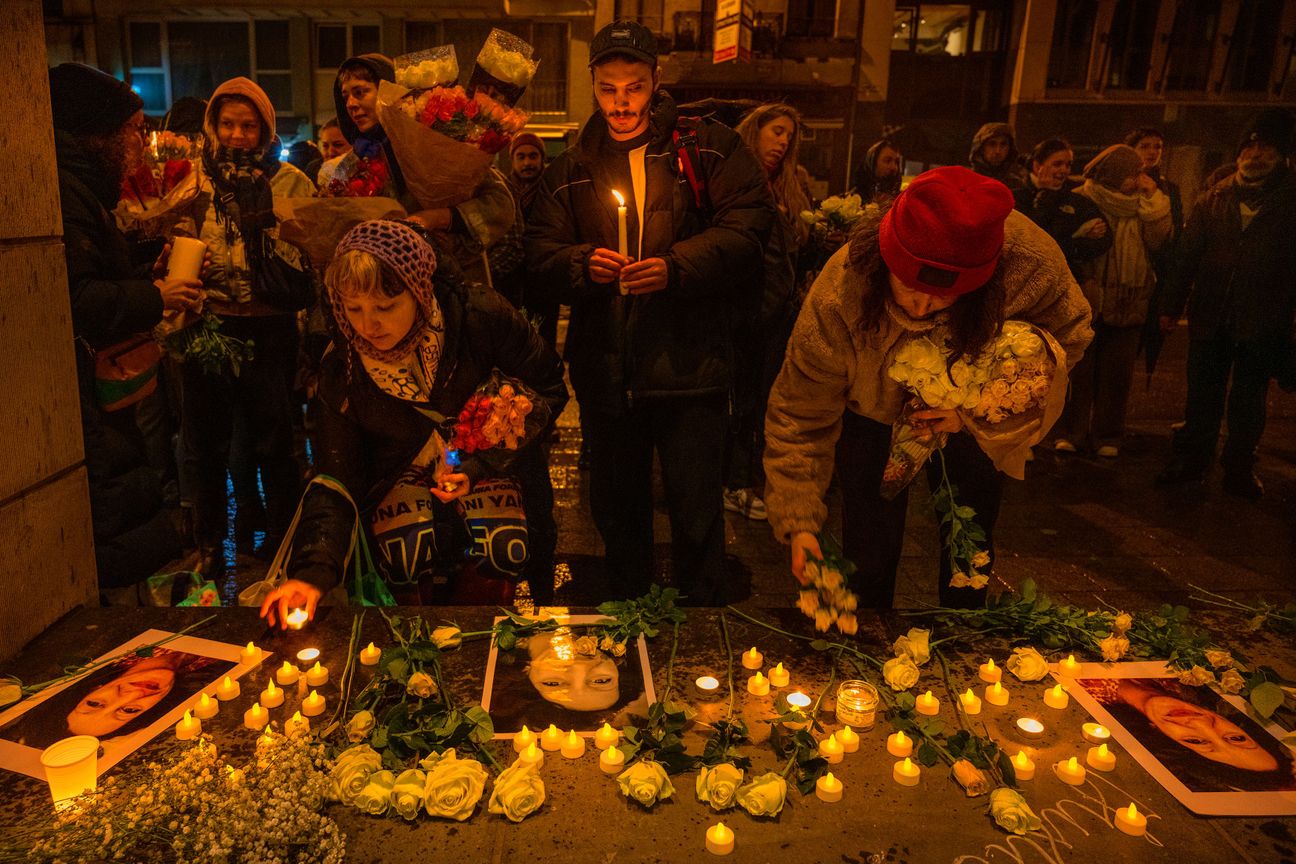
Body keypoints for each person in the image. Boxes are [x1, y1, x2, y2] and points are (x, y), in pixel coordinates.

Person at [525, 20, 777, 605]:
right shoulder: (573, 165)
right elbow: (538, 251)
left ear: (656, 81)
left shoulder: (707, 145)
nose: (621, 103)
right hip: (609, 372)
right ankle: (629, 614)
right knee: (617, 510)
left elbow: (749, 228)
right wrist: (582, 263)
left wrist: (676, 266)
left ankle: (703, 623)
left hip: (691, 368)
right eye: (609, 88)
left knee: (696, 509)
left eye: (633, 86)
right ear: (593, 84)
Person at [763, 167, 1093, 608]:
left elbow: (1067, 341)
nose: (920, 307)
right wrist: (799, 522)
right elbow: (800, 411)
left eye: (940, 298)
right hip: (873, 415)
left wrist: (976, 407)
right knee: (868, 550)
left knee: (969, 551)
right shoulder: (842, 289)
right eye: (908, 288)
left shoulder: (1029, 263)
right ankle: (867, 642)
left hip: (969, 424)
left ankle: (962, 642)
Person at [260, 220, 567, 627]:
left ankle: (481, 642)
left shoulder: (480, 317)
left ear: (419, 291)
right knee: (404, 550)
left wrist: (478, 467)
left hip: (491, 464)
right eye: (353, 309)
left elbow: (548, 388)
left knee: (501, 545)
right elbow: (336, 478)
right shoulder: (343, 366)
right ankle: (415, 648)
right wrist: (311, 575)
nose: (368, 325)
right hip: (394, 474)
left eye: (385, 307)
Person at [49, 62, 193, 591]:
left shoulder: (81, 189)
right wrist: (157, 297)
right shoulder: (65, 194)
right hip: (87, 399)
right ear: (99, 132)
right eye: (134, 130)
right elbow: (77, 296)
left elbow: (94, 269)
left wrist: (143, 260)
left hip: (102, 393)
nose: (142, 144)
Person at [174, 77, 316, 577]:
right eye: (228, 124)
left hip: (270, 329)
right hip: (208, 327)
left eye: (248, 125)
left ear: (265, 131)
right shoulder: (191, 182)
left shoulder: (291, 183)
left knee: (275, 445)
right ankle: (211, 550)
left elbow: (310, 258)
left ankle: (281, 546)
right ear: (213, 126)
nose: (237, 135)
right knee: (206, 447)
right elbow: (171, 243)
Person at [1157, 109, 1296, 498]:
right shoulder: (1213, 199)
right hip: (1211, 317)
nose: (1255, 154)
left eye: (1264, 146)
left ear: (1281, 154)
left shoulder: (1290, 201)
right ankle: (1192, 461)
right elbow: (1187, 257)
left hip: (1263, 320)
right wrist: (1170, 307)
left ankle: (1239, 468)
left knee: (1249, 402)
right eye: (1249, 146)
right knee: (1202, 396)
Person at [330, 53, 517, 290]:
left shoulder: (434, 138)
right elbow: (335, 219)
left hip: (455, 285)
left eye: (360, 92)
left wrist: (438, 218)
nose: (351, 105)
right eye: (345, 96)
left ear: (389, 92)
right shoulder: (351, 164)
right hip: (386, 292)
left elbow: (500, 206)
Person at [723, 103, 812, 521]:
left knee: (769, 402)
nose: (783, 142)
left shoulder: (790, 186)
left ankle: (755, 478)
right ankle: (736, 481)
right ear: (754, 130)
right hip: (744, 312)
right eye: (777, 131)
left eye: (789, 137)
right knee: (743, 400)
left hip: (780, 315)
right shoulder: (734, 179)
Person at [1053, 144, 1171, 458]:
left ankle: (1108, 434)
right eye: (1134, 173)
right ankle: (1070, 431)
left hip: (1128, 299)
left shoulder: (1143, 205)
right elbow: (1062, 240)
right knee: (1078, 372)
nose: (1140, 178)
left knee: (1117, 374)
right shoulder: (1082, 199)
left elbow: (1160, 241)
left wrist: (1155, 201)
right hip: (1086, 298)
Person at [1085, 677, 1296, 792]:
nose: (1201, 723)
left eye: (1195, 741)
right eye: (1236, 738)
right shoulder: (1186, 679)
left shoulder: (1093, 698)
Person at [0, 649, 224, 750]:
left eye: (95, 704)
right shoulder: (209, 671)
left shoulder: (134, 650)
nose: (131, 695)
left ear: (93, 688)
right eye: (129, 711)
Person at [1012, 137, 1111, 282]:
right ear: (1037, 166)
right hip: (1027, 280)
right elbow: (1033, 241)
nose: (1064, 170)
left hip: (1067, 279)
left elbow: (1105, 238)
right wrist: (1046, 197)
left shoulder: (1075, 198)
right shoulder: (1017, 198)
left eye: (1068, 164)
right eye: (1057, 164)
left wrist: (1071, 248)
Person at [969, 122, 1028, 192]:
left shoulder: (1016, 185)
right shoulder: (967, 180)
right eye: (992, 144)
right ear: (981, 148)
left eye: (1003, 144)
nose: (998, 151)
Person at [853, 137, 903, 203]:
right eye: (887, 161)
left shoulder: (901, 201)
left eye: (897, 162)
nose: (894, 167)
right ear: (872, 163)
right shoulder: (852, 202)